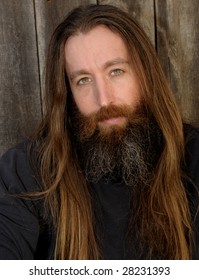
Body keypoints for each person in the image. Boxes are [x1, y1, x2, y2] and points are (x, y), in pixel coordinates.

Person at [0, 4, 198, 260]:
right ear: (68, 94)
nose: (104, 100)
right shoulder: (25, 172)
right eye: (83, 80)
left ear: (146, 75)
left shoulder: (193, 160)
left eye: (116, 71)